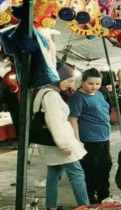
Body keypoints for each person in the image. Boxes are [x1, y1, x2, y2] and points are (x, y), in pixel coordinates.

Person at [33, 63, 89, 210]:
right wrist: (64, 144)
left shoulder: (43, 91)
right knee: (77, 174)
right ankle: (85, 206)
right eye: (69, 80)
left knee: (54, 172)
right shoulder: (51, 95)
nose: (71, 84)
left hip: (49, 143)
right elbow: (54, 122)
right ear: (59, 78)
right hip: (57, 143)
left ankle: (50, 206)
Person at [68, 68, 112, 204]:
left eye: (97, 84)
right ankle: (90, 197)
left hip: (104, 137)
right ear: (82, 82)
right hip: (89, 140)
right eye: (90, 83)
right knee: (90, 170)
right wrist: (77, 141)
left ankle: (104, 195)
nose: (94, 87)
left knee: (105, 166)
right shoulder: (77, 97)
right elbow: (73, 119)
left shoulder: (100, 94)